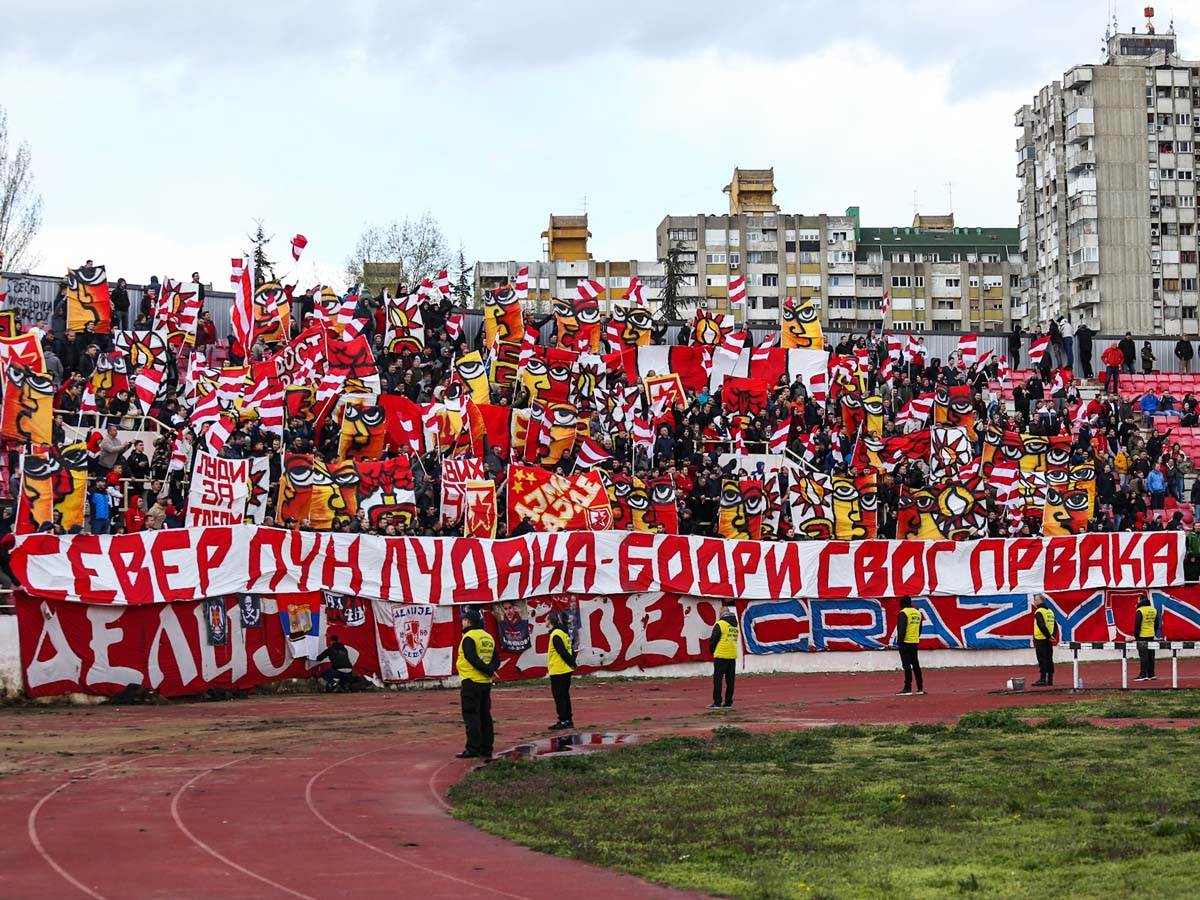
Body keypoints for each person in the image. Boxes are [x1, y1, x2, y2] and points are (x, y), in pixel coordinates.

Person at [456, 607, 498, 759]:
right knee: (485, 716)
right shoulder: (488, 637)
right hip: (485, 683)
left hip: (471, 680)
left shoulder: (468, 637)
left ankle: (473, 748)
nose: (462, 622)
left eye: (463, 620)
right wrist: (490, 670)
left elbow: (471, 658)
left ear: (468, 621)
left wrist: (486, 670)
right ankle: (487, 747)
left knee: (471, 716)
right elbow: (496, 659)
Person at [546, 610, 577, 730]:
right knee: (564, 696)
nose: (545, 621)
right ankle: (567, 719)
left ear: (550, 621)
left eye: (546, 619)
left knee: (559, 697)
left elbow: (562, 652)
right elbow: (570, 649)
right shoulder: (563, 633)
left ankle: (563, 720)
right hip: (564, 670)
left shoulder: (556, 634)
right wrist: (572, 664)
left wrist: (572, 663)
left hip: (559, 670)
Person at [706, 602, 739, 709]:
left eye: (720, 612)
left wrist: (712, 651)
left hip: (721, 655)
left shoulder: (720, 624)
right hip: (732, 655)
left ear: (723, 614)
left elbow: (713, 640)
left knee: (718, 680)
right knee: (730, 681)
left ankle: (717, 702)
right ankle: (728, 702)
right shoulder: (735, 626)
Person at [893, 597, 925, 696]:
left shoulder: (903, 613)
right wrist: (916, 638)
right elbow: (920, 629)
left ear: (902, 604)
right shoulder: (917, 613)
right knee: (915, 664)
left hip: (905, 642)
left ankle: (908, 688)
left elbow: (901, 629)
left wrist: (900, 642)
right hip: (914, 641)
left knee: (906, 665)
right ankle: (920, 688)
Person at [1031, 594, 1057, 687]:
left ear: (1040, 601)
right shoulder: (1050, 611)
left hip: (1041, 639)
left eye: (1035, 599)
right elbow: (1055, 625)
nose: (1034, 601)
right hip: (1048, 640)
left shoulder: (1039, 611)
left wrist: (1048, 636)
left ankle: (1042, 679)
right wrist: (1052, 636)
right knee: (1049, 659)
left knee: (1042, 659)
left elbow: (1041, 625)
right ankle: (1050, 680)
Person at [1133, 595, 1159, 682]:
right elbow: (1156, 624)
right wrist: (1153, 632)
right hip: (1151, 635)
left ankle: (1143, 674)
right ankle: (1151, 674)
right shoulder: (1153, 610)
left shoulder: (1140, 610)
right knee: (1151, 655)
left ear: (1141, 601)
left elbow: (1137, 624)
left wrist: (1136, 636)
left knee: (1143, 656)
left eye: (1138, 600)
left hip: (1142, 636)